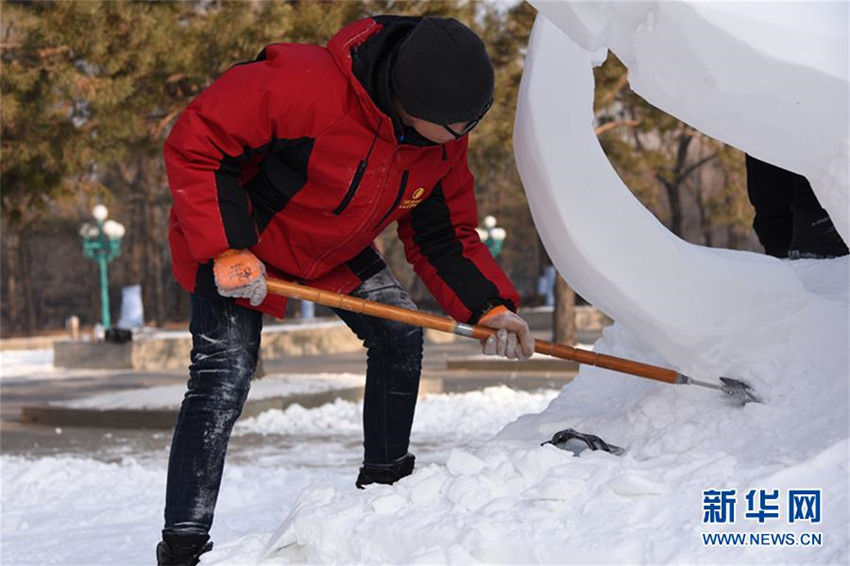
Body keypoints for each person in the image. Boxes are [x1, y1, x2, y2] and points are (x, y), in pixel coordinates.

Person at [158, 15, 535, 566]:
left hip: (333, 248)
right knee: (222, 378)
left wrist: (491, 307)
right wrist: (228, 246)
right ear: (407, 102)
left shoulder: (443, 144)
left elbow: (442, 236)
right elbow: (197, 142)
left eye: (471, 123)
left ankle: (382, 497)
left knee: (400, 336)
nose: (464, 138)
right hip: (241, 240)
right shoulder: (305, 86)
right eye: (455, 126)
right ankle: (184, 546)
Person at [745, 155, 848, 259]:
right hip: (816, 226)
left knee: (766, 143)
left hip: (781, 228)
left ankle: (781, 236)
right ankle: (817, 224)